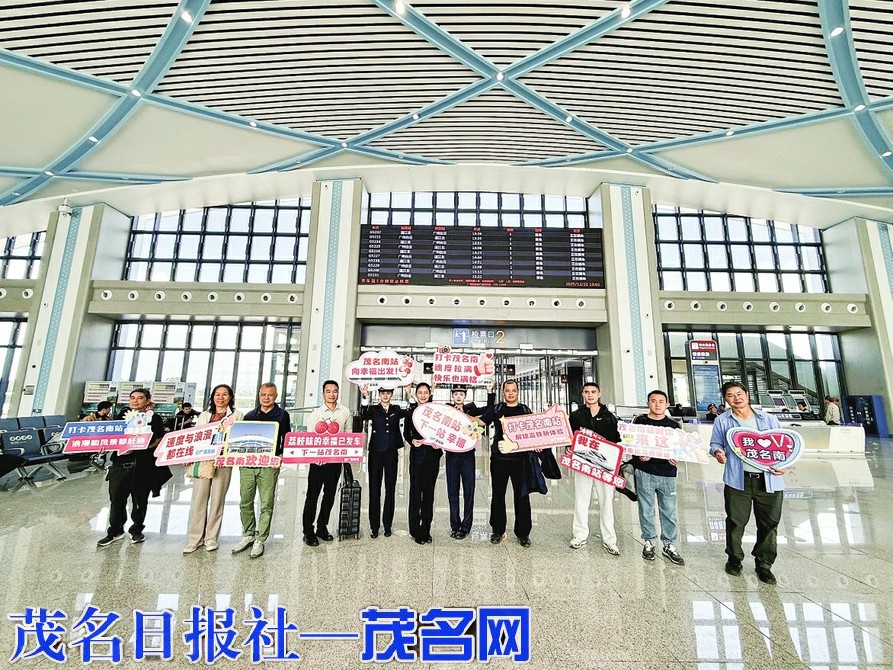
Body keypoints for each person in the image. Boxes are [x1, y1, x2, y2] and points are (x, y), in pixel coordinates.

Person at [710, 381, 786, 585]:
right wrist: (717, 452)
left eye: (739, 393)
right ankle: (734, 558)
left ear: (747, 394)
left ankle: (764, 564)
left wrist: (784, 465)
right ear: (726, 399)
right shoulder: (722, 421)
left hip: (769, 480)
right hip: (738, 479)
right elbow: (715, 443)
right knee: (736, 521)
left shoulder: (768, 419)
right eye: (730, 395)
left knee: (769, 523)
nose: (736, 398)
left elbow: (783, 446)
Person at [97, 388, 171, 547]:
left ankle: (136, 530)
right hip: (120, 465)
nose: (135, 401)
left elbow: (159, 439)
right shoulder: (122, 417)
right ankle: (115, 530)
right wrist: (104, 447)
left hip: (142, 465)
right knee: (116, 499)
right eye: (132, 398)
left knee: (139, 500)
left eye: (140, 398)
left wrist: (141, 446)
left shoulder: (154, 418)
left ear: (147, 400)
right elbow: (112, 437)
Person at [232, 383, 291, 559]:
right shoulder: (250, 415)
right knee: (245, 501)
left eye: (270, 395)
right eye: (263, 394)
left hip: (269, 466)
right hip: (248, 465)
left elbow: (287, 438)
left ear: (276, 396)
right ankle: (248, 534)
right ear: (259, 395)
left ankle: (260, 539)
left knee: (266, 503)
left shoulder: (282, 415)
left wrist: (281, 455)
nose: (266, 398)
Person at [183, 384, 243, 554]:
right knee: (199, 499)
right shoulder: (204, 415)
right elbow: (195, 437)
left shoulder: (237, 415)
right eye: (217, 394)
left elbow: (238, 438)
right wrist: (189, 456)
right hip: (203, 460)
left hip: (223, 462)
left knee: (217, 500)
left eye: (225, 394)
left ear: (230, 397)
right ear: (212, 397)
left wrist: (225, 455)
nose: (221, 397)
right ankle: (195, 538)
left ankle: (211, 538)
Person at [631, 390, 685, 566]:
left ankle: (669, 544)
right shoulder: (640, 422)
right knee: (646, 509)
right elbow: (631, 443)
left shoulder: (673, 425)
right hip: (644, 471)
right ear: (648, 403)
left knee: (669, 510)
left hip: (667, 472)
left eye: (661, 401)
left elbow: (680, 448)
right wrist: (639, 455)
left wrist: (676, 457)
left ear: (667, 404)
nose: (657, 404)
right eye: (653, 401)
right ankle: (649, 542)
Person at [479, 379, 534, 547]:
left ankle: (523, 533)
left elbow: (534, 432)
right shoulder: (497, 409)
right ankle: (497, 530)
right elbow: (481, 422)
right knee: (498, 495)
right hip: (499, 459)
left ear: (518, 392)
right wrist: (461, 416)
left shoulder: (525, 410)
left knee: (522, 496)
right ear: (503, 392)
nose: (510, 393)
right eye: (507, 390)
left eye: (513, 390)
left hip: (520, 460)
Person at [568, 382, 621, 555]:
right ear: (582, 394)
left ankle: (609, 539)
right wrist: (569, 448)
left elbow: (616, 441)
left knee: (606, 501)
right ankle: (580, 535)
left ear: (599, 394)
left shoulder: (610, 417)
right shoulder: (576, 416)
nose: (590, 395)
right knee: (581, 499)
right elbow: (570, 438)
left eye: (593, 392)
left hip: (605, 466)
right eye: (586, 392)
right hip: (583, 464)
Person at [302, 380, 352, 547]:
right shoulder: (316, 414)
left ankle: (322, 527)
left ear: (338, 393)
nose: (332, 394)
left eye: (335, 391)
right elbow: (310, 438)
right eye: (328, 391)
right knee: (312, 496)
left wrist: (345, 457)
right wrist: (315, 456)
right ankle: (308, 531)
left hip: (335, 461)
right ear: (323, 393)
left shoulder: (345, 412)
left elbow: (348, 435)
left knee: (329, 495)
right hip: (317, 462)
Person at [360, 384, 414, 538]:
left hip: (391, 453)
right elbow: (363, 414)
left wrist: (409, 394)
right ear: (379, 394)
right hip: (375, 453)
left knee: (390, 489)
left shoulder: (396, 409)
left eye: (388, 393)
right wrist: (365, 396)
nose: (385, 395)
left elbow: (411, 411)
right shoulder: (373, 409)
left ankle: (387, 525)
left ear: (391, 394)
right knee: (374, 490)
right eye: (382, 393)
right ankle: (374, 526)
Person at [445, 384, 493, 540]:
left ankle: (466, 526)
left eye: (461, 394)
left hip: (468, 456)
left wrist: (490, 392)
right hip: (451, 455)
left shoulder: (471, 409)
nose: (458, 396)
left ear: (465, 396)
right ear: (452, 396)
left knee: (469, 491)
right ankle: (454, 525)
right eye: (456, 394)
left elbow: (489, 411)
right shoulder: (447, 409)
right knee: (452, 491)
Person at [403, 382, 443, 544]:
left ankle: (426, 529)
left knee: (429, 495)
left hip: (433, 457)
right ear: (416, 394)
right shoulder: (411, 413)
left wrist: (439, 443)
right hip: (417, 457)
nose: (423, 395)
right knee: (415, 494)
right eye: (420, 392)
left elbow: (442, 432)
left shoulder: (436, 413)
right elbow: (406, 433)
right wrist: (412, 441)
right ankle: (415, 529)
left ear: (430, 394)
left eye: (426, 392)